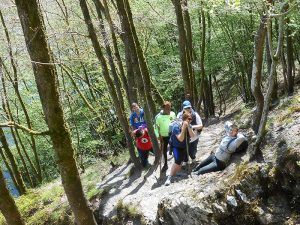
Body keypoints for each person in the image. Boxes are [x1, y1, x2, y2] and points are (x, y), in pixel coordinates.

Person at [165, 113, 196, 186]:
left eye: (191, 119)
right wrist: (183, 128)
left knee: (181, 160)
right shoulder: (176, 126)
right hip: (176, 147)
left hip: (184, 146)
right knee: (177, 161)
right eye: (189, 119)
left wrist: (188, 127)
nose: (190, 121)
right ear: (184, 119)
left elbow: (193, 136)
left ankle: (177, 173)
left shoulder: (189, 125)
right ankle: (170, 177)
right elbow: (181, 139)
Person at [177, 100, 203, 164]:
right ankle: (186, 161)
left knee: (193, 151)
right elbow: (177, 124)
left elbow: (201, 126)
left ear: (191, 107)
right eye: (186, 108)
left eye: (189, 108)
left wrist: (192, 126)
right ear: (183, 108)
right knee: (185, 151)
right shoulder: (179, 115)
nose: (188, 109)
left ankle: (193, 158)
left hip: (194, 137)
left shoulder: (195, 115)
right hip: (184, 138)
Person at [155, 101, 176, 171]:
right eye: (167, 108)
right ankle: (165, 164)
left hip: (172, 134)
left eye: (170, 108)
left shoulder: (173, 114)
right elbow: (156, 127)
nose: (169, 110)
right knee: (164, 150)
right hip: (163, 136)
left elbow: (175, 122)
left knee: (175, 147)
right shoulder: (158, 117)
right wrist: (158, 136)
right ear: (163, 108)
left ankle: (177, 161)